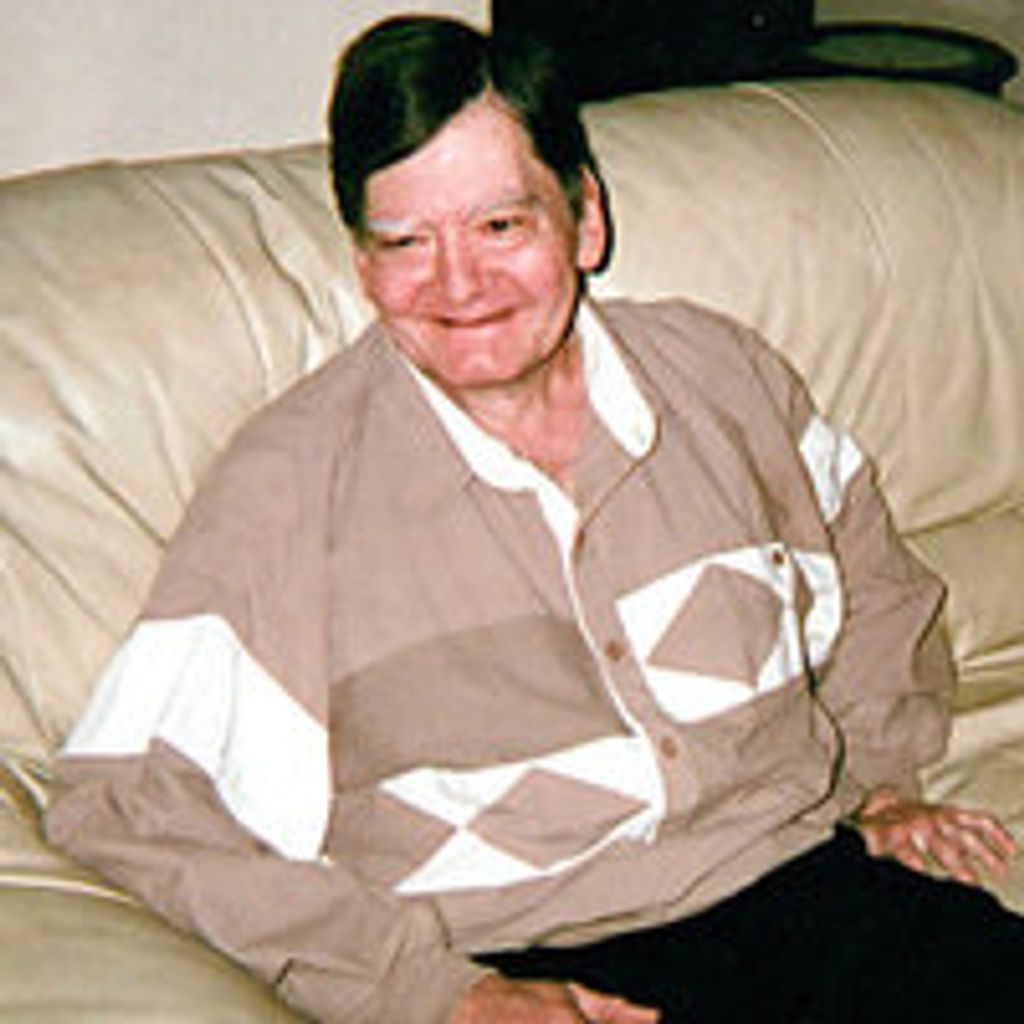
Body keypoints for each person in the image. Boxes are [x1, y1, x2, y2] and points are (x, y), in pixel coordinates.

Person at [46, 14, 1022, 1024]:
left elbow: (870, 574)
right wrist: (432, 990)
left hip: (802, 884)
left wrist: (874, 784)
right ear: (362, 265)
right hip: (530, 957)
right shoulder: (288, 486)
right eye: (405, 242)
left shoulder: (720, 377)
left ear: (583, 219)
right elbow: (123, 802)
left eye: (500, 226)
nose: (457, 284)